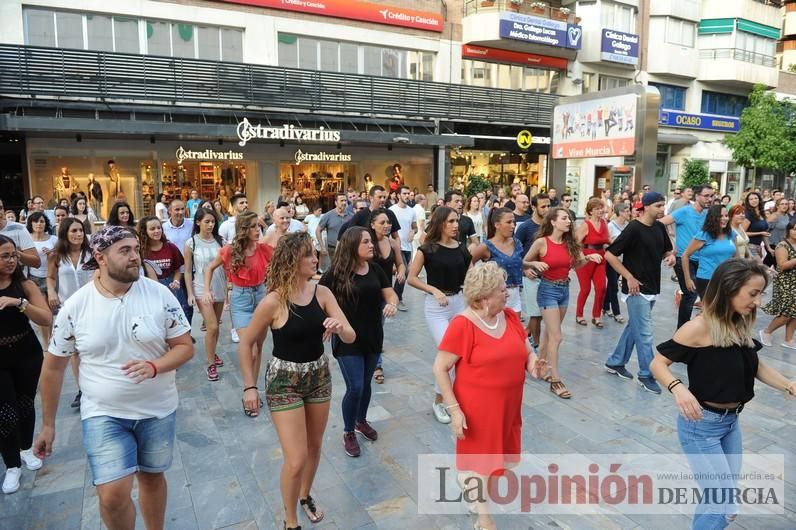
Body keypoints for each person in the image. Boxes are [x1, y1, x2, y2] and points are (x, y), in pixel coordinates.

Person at [34, 224, 193, 528]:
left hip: (157, 409)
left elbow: (185, 347)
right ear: (101, 257)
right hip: (104, 413)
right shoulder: (76, 306)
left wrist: (156, 365)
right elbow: (53, 367)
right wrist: (49, 425)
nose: (135, 256)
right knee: (112, 494)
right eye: (125, 250)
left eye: (136, 249)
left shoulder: (159, 294)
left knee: (151, 477)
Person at [650, 258, 796, 530]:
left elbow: (756, 365)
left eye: (760, 293)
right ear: (729, 288)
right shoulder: (698, 327)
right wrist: (677, 388)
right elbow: (657, 363)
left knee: (720, 496)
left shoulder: (738, 322)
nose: (758, 302)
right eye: (753, 293)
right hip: (701, 426)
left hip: (730, 423)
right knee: (720, 498)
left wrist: (789, 384)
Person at [238, 232, 354, 530]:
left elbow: (351, 335)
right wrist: (250, 386)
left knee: (314, 447)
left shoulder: (323, 293)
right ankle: (290, 521)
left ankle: (305, 495)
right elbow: (247, 342)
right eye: (308, 255)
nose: (316, 259)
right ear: (292, 260)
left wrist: (339, 327)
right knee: (296, 458)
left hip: (318, 376)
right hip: (284, 381)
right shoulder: (273, 301)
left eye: (315, 253)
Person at [320, 227, 398, 457]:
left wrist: (392, 303)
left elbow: (389, 292)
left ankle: (360, 421)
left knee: (365, 386)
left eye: (371, 241)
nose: (372, 244)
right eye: (366, 241)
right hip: (347, 339)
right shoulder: (336, 273)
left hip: (373, 336)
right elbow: (319, 299)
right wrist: (327, 323)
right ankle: (348, 431)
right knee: (355, 388)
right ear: (353, 245)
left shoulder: (375, 269)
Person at [523, 208, 602, 399]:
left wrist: (588, 258)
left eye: (569, 218)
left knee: (550, 335)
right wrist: (534, 265)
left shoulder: (569, 243)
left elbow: (574, 265)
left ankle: (538, 366)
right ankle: (555, 380)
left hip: (564, 290)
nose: (569, 221)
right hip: (548, 290)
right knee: (557, 337)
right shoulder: (542, 242)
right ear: (553, 222)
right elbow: (524, 260)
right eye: (564, 218)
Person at [603, 192, 675, 394]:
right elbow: (610, 254)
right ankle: (647, 374)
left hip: (653, 286)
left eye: (663, 205)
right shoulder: (634, 228)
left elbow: (667, 250)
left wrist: (671, 257)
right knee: (645, 333)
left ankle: (615, 361)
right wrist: (628, 277)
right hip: (636, 289)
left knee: (634, 327)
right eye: (658, 205)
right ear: (647, 206)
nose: (662, 209)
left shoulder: (660, 227)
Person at [205, 211, 274, 413]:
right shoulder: (230, 250)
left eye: (258, 226)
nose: (257, 230)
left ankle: (253, 389)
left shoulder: (264, 249)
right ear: (243, 229)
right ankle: (249, 389)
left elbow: (282, 264)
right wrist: (207, 290)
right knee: (248, 346)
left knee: (258, 348)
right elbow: (210, 268)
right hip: (241, 299)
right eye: (252, 226)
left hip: (262, 296)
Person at [408, 206, 471, 423]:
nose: (456, 225)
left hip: (460, 303)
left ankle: (452, 397)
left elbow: (469, 276)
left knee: (460, 355)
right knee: (449, 353)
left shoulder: (462, 248)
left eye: (457, 221)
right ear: (441, 223)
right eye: (452, 221)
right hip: (437, 308)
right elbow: (412, 278)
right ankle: (438, 401)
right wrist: (433, 290)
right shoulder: (427, 250)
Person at [0, 235, 52, 494]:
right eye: (4, 256)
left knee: (24, 404)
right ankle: (11, 466)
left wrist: (19, 304)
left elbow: (45, 318)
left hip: (26, 352)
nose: (11, 260)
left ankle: (25, 448)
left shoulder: (25, 285)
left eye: (13, 255)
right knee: (5, 412)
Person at [47, 217, 93, 409]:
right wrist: (51, 291)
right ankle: (82, 389)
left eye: (80, 230)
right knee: (75, 351)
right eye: (74, 231)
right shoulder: (57, 255)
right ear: (65, 233)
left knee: (91, 348)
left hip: (91, 305)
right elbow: (50, 277)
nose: (78, 234)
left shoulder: (92, 254)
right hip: (67, 307)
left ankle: (95, 386)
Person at [660, 184, 713, 329]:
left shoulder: (709, 214)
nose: (709, 199)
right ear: (697, 196)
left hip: (703, 260)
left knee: (705, 295)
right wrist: (671, 246)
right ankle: (681, 331)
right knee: (691, 294)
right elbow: (661, 223)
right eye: (706, 196)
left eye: (711, 196)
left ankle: (701, 328)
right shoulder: (684, 212)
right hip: (684, 259)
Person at [185, 208, 226, 381]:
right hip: (202, 288)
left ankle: (213, 352)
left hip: (220, 287)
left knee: (215, 327)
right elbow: (187, 271)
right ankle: (210, 364)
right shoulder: (191, 243)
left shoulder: (221, 241)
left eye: (212, 221)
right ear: (198, 222)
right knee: (212, 327)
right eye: (207, 221)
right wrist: (190, 293)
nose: (210, 225)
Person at [368, 208, 405, 384]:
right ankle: (371, 360)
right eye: (382, 222)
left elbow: (400, 263)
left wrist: (401, 272)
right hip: (366, 291)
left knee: (377, 327)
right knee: (371, 327)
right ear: (372, 224)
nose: (386, 225)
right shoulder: (366, 243)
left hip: (385, 292)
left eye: (388, 222)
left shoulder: (393, 243)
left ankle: (376, 364)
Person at [470, 208, 524, 315]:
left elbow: (517, 263)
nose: (513, 226)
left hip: (515, 295)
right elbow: (468, 261)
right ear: (497, 225)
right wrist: (478, 281)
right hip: (495, 295)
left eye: (513, 222)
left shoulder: (516, 242)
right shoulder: (486, 246)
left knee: (514, 329)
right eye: (508, 222)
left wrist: (531, 265)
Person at [516, 193, 551, 347]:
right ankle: (536, 345)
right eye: (543, 206)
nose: (547, 209)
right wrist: (524, 270)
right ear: (534, 207)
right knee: (535, 314)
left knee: (542, 313)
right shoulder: (525, 227)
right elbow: (515, 250)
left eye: (549, 205)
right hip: (531, 275)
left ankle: (527, 332)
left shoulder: (551, 226)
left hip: (549, 276)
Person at [681, 205, 738, 299]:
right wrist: (688, 279)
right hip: (707, 279)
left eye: (726, 216)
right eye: (720, 216)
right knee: (710, 311)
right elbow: (685, 256)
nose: (724, 219)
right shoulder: (704, 235)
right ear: (712, 218)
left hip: (728, 279)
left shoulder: (731, 234)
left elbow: (737, 258)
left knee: (725, 311)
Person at [760, 221, 796, 349]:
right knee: (786, 313)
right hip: (786, 283)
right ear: (789, 230)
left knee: (795, 313)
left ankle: (789, 339)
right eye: (795, 229)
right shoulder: (782, 245)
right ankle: (766, 332)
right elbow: (782, 265)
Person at [574, 197, 610, 327]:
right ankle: (579, 315)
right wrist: (583, 257)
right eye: (597, 209)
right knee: (585, 289)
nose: (600, 211)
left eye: (601, 208)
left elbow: (608, 240)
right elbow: (576, 244)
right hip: (586, 258)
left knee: (601, 288)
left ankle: (596, 316)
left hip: (601, 257)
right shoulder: (586, 225)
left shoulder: (604, 223)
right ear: (590, 211)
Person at [162, 199, 195, 329]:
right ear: (170, 211)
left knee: (188, 304)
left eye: (182, 209)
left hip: (189, 271)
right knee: (174, 304)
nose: (180, 212)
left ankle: (187, 331)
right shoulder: (163, 228)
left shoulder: (191, 225)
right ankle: (177, 332)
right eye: (176, 209)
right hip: (173, 272)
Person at [26, 212, 57, 346]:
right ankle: (46, 343)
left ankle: (51, 338)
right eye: (36, 221)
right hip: (34, 278)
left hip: (51, 277)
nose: (39, 224)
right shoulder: (27, 240)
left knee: (52, 311)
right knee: (44, 311)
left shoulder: (53, 239)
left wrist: (52, 254)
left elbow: (60, 257)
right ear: (31, 224)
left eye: (42, 221)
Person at [389, 185, 417, 311]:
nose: (407, 196)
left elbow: (414, 226)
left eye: (408, 193)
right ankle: (396, 298)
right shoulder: (391, 210)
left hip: (407, 247)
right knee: (404, 271)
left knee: (402, 272)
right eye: (404, 193)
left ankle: (391, 296)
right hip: (396, 246)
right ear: (398, 195)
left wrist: (413, 232)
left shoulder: (412, 211)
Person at [602, 203, 629, 323]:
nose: (629, 213)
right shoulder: (610, 226)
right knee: (614, 285)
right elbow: (604, 243)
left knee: (611, 286)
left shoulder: (628, 226)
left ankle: (605, 306)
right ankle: (617, 312)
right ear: (620, 212)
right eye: (626, 211)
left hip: (623, 260)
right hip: (612, 259)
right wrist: (613, 243)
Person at [0, 199, 40, 268]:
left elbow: (36, 262)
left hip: (16, 277)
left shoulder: (18, 228)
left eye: (0, 208)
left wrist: (13, 252)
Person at [316, 193, 351, 261]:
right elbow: (318, 231)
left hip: (348, 248)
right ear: (336, 203)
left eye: (345, 200)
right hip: (332, 249)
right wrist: (322, 246)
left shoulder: (351, 216)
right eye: (341, 200)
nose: (344, 203)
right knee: (335, 268)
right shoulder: (328, 215)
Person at [742, 191, 769, 261]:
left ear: (759, 200)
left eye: (755, 198)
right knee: (759, 268)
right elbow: (742, 233)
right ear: (748, 202)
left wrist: (768, 248)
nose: (754, 200)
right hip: (749, 246)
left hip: (759, 246)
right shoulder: (748, 215)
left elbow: (764, 233)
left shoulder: (762, 213)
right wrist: (760, 233)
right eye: (751, 199)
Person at [764, 197, 790, 268]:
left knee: (776, 267)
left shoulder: (786, 216)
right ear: (777, 206)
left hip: (783, 245)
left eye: (786, 204)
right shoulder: (773, 216)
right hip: (773, 245)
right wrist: (769, 248)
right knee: (769, 266)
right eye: (782, 204)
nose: (784, 206)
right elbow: (765, 232)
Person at [305, 205, 324, 271]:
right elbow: (303, 223)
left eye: (321, 210)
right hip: (312, 237)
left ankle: (319, 268)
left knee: (321, 253)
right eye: (319, 211)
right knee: (314, 253)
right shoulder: (309, 217)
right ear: (314, 211)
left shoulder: (322, 217)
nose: (320, 212)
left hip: (320, 237)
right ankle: (313, 268)